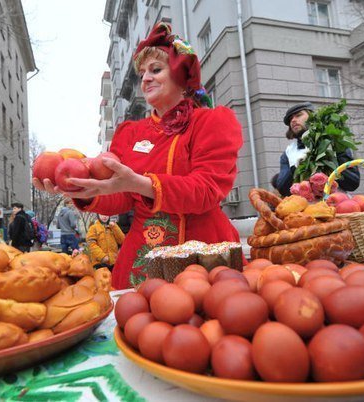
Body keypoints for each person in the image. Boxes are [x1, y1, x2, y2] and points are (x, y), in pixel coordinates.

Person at [33, 22, 243, 289]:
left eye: (156, 70)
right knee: (137, 322)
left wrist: (140, 183)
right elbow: (120, 196)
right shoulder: (131, 133)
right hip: (143, 255)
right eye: (142, 73)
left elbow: (206, 190)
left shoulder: (211, 122)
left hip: (202, 248)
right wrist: (81, 189)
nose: (145, 78)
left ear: (181, 75)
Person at [274, 102, 360, 197]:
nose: (293, 120)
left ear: (312, 117)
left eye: (298, 115)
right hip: (306, 209)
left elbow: (353, 183)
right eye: (290, 119)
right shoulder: (288, 153)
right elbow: (282, 189)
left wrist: (327, 161)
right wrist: (296, 168)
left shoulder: (335, 142)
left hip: (338, 207)